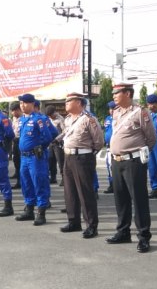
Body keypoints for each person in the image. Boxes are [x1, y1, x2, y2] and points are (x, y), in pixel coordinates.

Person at [105, 83, 156, 252]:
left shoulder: (140, 112)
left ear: (127, 93)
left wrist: (137, 153)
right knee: (121, 199)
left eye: (116, 93)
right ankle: (123, 231)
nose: (113, 96)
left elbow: (151, 138)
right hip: (117, 161)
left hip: (133, 161)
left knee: (139, 199)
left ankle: (143, 236)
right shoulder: (117, 112)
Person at [56, 92, 104, 238]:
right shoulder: (69, 119)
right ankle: (73, 221)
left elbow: (99, 141)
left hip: (83, 157)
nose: (66, 104)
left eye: (69, 101)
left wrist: (89, 154)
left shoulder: (89, 119)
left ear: (78, 103)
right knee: (70, 191)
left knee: (85, 192)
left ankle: (91, 225)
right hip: (68, 156)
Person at [15, 94, 53, 226]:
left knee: (39, 183)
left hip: (35, 157)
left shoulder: (39, 119)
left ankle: (41, 213)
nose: (22, 105)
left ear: (32, 104)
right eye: (20, 103)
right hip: (24, 157)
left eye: (25, 103)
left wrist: (39, 147)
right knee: (26, 183)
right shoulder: (21, 120)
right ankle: (29, 209)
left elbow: (48, 137)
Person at [46, 105, 65, 185]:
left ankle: (64, 178)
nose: (51, 117)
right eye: (49, 116)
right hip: (50, 143)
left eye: (51, 115)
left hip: (58, 143)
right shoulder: (48, 120)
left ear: (55, 112)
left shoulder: (61, 119)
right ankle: (53, 177)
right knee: (51, 160)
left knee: (60, 161)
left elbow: (65, 131)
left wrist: (58, 139)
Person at [102, 101, 115, 194]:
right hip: (108, 146)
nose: (111, 110)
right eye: (110, 109)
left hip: (117, 147)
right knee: (109, 166)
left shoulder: (120, 118)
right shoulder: (108, 119)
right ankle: (112, 184)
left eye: (113, 108)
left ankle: (118, 184)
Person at [10, 103, 23, 190]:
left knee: (22, 162)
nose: (12, 113)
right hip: (15, 141)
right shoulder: (14, 119)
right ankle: (18, 180)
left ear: (18, 110)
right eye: (12, 111)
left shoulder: (23, 119)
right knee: (16, 161)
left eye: (14, 111)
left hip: (21, 140)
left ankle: (22, 181)